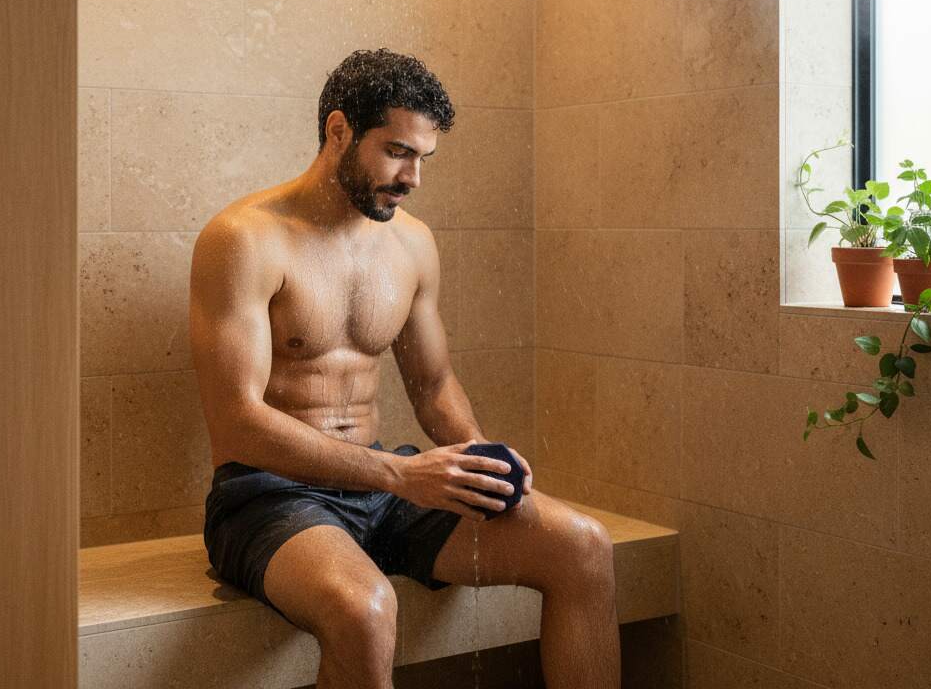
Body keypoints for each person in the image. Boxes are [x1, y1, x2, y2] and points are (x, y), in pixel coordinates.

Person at [190, 48, 620, 688]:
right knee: (365, 610)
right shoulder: (244, 239)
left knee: (583, 546)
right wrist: (400, 473)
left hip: (384, 488)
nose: (413, 176)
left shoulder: (411, 244)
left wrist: (474, 458)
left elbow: (433, 383)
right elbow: (236, 424)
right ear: (339, 131)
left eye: (423, 158)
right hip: (267, 495)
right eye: (397, 151)